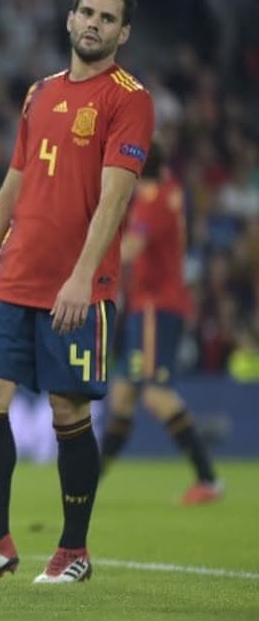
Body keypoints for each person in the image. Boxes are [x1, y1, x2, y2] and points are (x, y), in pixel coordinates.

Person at [0, 0, 155, 585]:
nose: (94, 24)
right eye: (87, 12)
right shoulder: (40, 94)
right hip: (15, 276)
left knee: (67, 411)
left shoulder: (129, 99)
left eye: (108, 19)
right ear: (69, 19)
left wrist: (82, 277)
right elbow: (14, 183)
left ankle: (73, 551)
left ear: (122, 33)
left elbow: (114, 199)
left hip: (78, 285)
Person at [101, 141, 223, 504]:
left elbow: (133, 248)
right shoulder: (169, 189)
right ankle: (88, 481)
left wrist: (91, 254)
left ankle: (208, 479)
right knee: (124, 394)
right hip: (148, 305)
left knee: (155, 392)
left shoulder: (153, 200)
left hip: (156, 306)